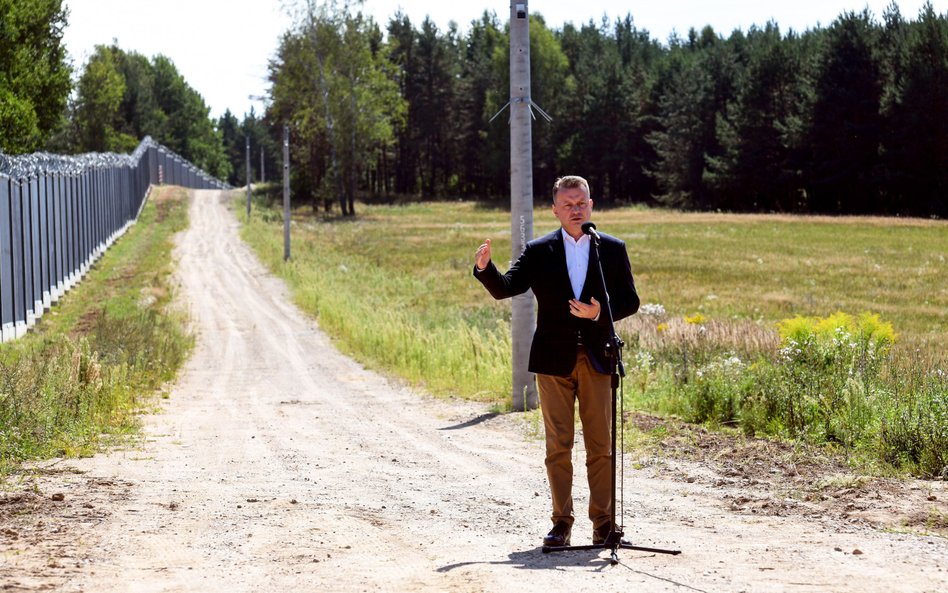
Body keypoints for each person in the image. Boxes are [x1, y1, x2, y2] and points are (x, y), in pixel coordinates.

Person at [473, 175, 639, 547]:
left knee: (601, 446)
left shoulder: (610, 248)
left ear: (591, 205)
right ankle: (561, 523)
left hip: (598, 359)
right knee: (558, 446)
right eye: (568, 204)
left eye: (581, 203)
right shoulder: (539, 250)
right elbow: (506, 288)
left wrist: (600, 312)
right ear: (555, 210)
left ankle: (603, 525)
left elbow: (631, 300)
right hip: (552, 361)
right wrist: (485, 268)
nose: (576, 209)